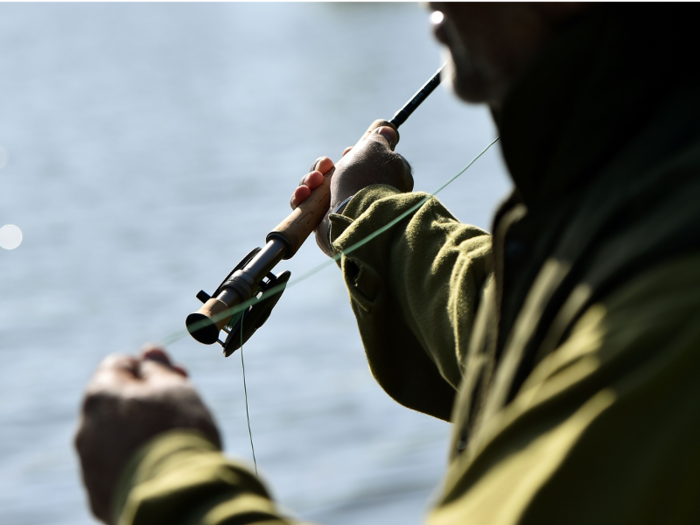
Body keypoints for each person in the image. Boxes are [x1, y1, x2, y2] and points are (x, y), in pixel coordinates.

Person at [76, 4, 700, 524]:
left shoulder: (673, 311)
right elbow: (533, 328)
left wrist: (162, 473)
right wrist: (369, 217)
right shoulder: (651, 192)